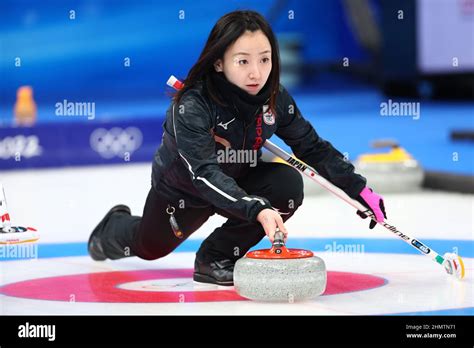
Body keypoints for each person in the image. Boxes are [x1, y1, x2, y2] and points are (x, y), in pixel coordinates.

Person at [88, 10, 387, 286]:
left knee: (286, 186)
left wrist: (358, 188)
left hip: (238, 178)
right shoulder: (192, 106)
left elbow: (312, 147)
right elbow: (203, 174)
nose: (256, 73)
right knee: (150, 247)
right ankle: (111, 229)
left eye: (265, 59)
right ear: (219, 62)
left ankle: (215, 257)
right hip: (185, 191)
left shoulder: (275, 99)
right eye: (243, 61)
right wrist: (256, 208)